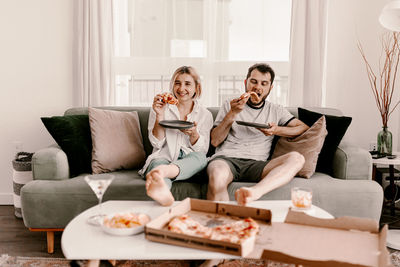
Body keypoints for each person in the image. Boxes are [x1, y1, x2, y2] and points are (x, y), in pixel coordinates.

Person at [207, 63, 309, 206]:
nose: (257, 87)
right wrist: (233, 113)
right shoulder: (230, 105)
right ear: (246, 82)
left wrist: (277, 130)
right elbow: (215, 141)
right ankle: (220, 224)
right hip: (227, 160)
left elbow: (302, 128)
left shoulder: (276, 110)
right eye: (253, 82)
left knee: (297, 158)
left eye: (264, 83)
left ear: (270, 88)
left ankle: (254, 192)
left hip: (258, 165)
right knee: (217, 176)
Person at [139, 66, 213, 206]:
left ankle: (164, 171)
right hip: (163, 157)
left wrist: (194, 135)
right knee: (158, 170)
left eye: (187, 84)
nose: (181, 88)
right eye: (177, 83)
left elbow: (202, 150)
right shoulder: (160, 107)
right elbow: (156, 143)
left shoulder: (205, 114)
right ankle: (163, 195)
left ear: (197, 88)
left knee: (201, 158)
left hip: (189, 162)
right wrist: (159, 115)